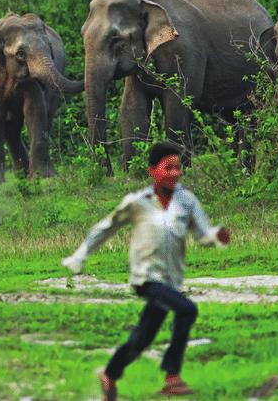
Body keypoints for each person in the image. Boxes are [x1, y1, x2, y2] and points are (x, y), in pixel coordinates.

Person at [61, 142, 230, 399]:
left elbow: (202, 235)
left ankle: (110, 374)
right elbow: (105, 228)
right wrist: (80, 255)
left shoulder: (187, 200)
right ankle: (172, 377)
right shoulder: (138, 202)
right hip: (146, 278)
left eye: (178, 167)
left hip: (171, 281)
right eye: (168, 167)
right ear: (153, 170)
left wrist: (216, 236)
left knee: (142, 339)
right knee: (187, 309)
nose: (175, 173)